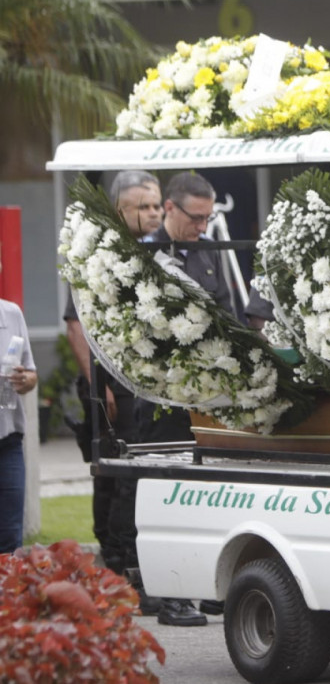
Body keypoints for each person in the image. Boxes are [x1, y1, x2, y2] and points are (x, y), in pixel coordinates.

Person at [136, 171, 235, 626]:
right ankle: (170, 593)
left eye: (208, 217)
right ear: (170, 208)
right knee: (168, 492)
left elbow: (226, 313)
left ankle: (210, 586)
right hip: (160, 395)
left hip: (206, 395)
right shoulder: (141, 255)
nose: (202, 225)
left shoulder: (207, 253)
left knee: (211, 494)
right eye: (195, 217)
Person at [63, 170, 162, 577]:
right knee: (114, 474)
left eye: (157, 205)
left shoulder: (157, 251)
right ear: (120, 210)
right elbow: (75, 325)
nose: (153, 214)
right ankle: (115, 560)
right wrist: (96, 384)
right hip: (111, 386)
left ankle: (132, 558)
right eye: (144, 206)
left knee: (140, 471)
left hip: (148, 383)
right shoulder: (96, 254)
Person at [0, 251, 37, 554]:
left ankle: (7, 601)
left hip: (8, 440)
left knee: (10, 537)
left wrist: (27, 380)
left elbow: (31, 373)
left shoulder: (12, 314)